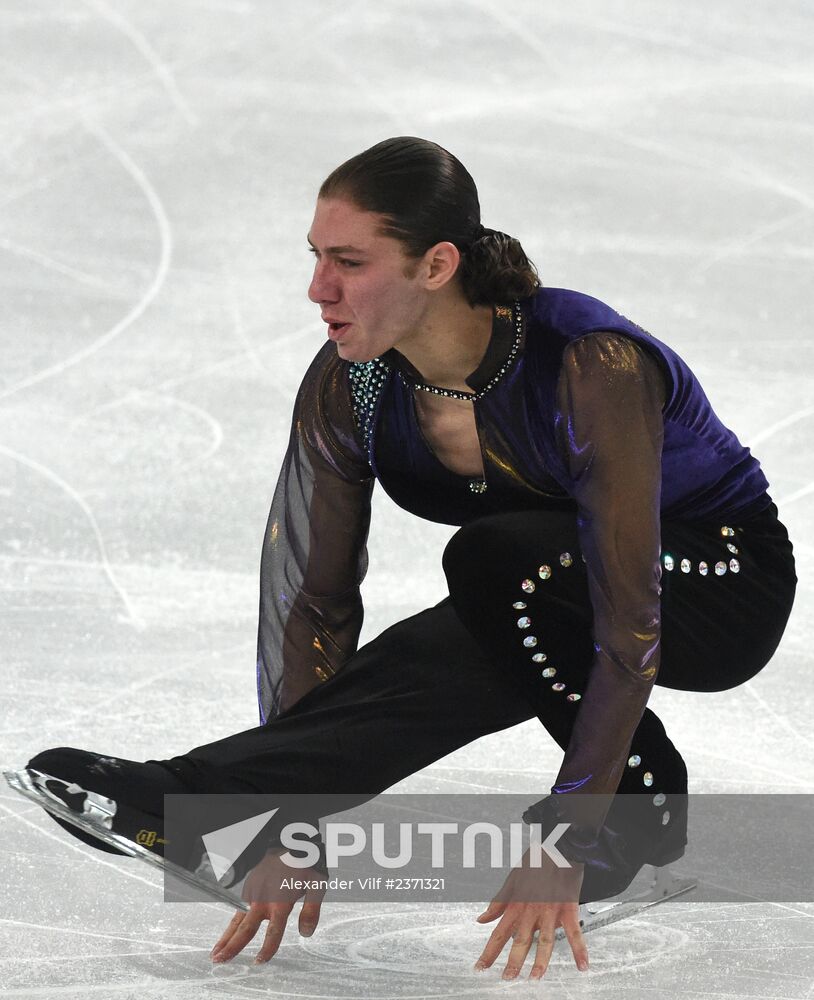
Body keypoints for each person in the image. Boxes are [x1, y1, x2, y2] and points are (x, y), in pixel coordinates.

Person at [24, 137, 797, 982]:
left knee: (496, 564)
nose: (319, 288)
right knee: (451, 645)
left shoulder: (587, 362)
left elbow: (631, 613)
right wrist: (295, 823)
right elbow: (314, 600)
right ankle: (197, 793)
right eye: (316, 257)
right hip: (543, 591)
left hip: (715, 582)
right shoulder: (353, 384)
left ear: (436, 265)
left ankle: (626, 805)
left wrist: (570, 826)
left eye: (349, 261)